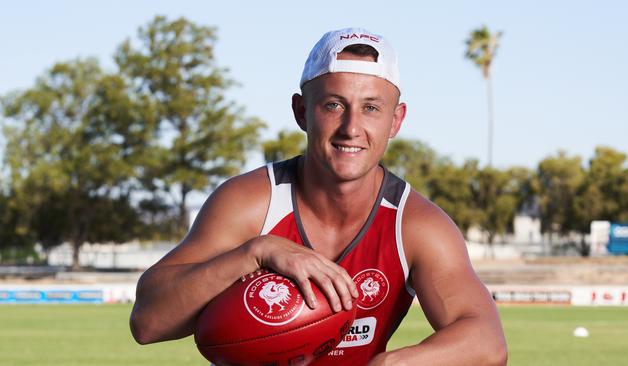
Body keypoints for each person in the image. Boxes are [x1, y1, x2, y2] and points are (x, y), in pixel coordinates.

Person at [130, 27, 507, 365]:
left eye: (371, 108)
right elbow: (147, 323)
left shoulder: (415, 225)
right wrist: (255, 252)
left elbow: (488, 343)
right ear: (301, 111)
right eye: (333, 105)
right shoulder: (250, 203)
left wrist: (394, 364)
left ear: (396, 120)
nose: (351, 128)